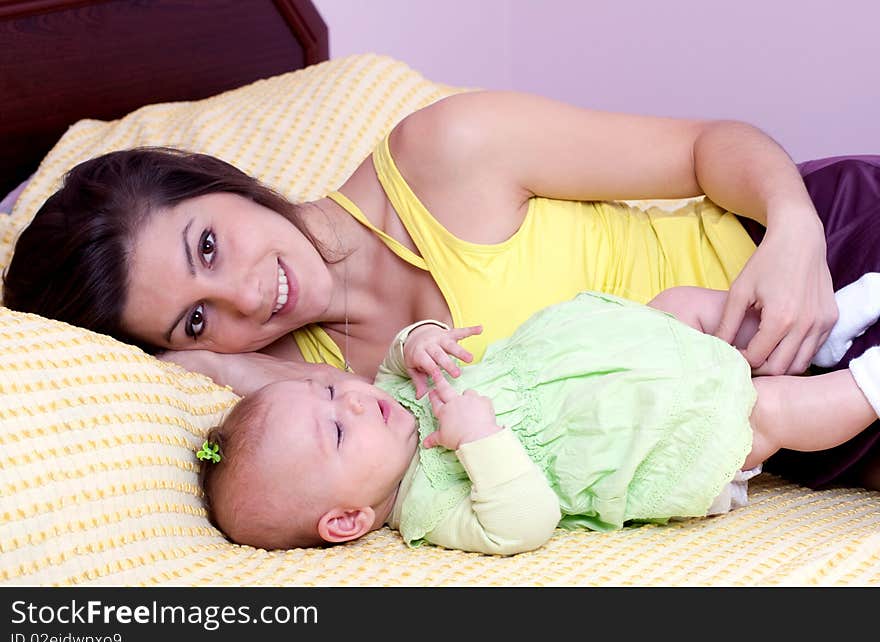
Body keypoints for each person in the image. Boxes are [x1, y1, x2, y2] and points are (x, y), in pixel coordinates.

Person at [2, 90, 879, 487]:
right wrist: (228, 373)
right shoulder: (318, 405)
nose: (247, 295)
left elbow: (705, 146)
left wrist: (796, 232)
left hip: (815, 247)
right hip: (777, 417)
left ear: (218, 181)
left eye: (208, 244)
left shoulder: (446, 152)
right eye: (196, 317)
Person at [195, 279, 880, 555]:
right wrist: (478, 439)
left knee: (684, 308)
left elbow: (401, 358)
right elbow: (522, 523)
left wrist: (420, 339)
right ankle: (864, 383)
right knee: (773, 413)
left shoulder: (392, 401)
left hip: (606, 352)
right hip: (644, 434)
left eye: (324, 390)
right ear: (348, 518)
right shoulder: (428, 506)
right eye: (337, 430)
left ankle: (815, 336)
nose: (346, 400)